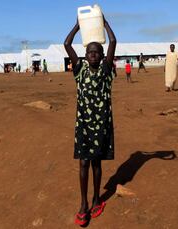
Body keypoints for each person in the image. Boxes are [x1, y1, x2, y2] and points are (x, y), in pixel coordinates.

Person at [64, 15, 116, 226]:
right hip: (84, 125)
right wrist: (78, 25)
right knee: (83, 162)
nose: (93, 55)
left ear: (102, 56)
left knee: (96, 163)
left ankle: (97, 198)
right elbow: (67, 44)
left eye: (96, 52)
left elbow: (112, 42)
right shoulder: (79, 70)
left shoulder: (106, 71)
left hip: (101, 124)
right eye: (89, 52)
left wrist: (104, 23)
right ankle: (84, 204)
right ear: (85, 55)